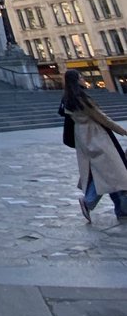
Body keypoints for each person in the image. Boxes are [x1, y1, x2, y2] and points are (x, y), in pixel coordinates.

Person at [61, 69, 127, 223]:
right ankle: (90, 201)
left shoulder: (68, 99)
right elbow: (102, 118)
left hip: (84, 139)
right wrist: (122, 131)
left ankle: (120, 208)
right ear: (76, 80)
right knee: (112, 173)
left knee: (107, 173)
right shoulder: (82, 99)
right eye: (81, 77)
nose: (83, 79)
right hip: (97, 138)